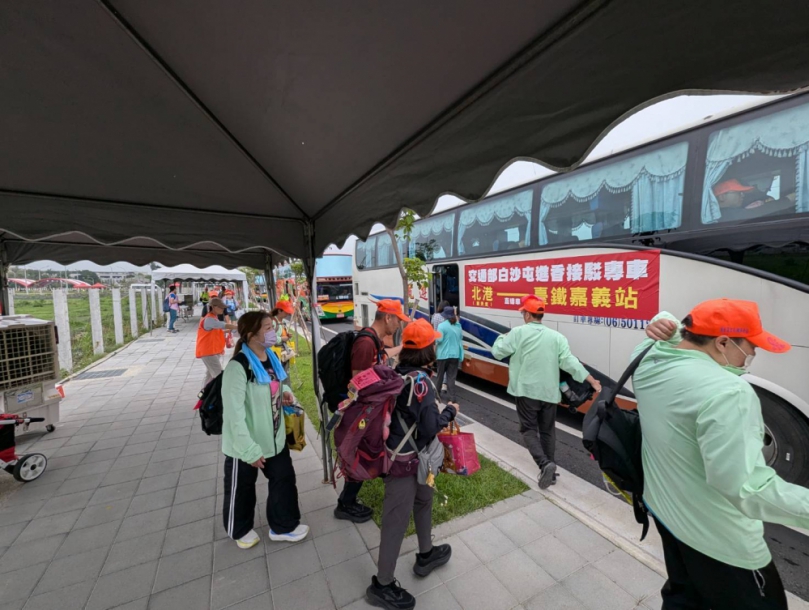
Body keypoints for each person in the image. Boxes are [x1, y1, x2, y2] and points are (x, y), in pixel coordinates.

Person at [633, 299, 808, 609]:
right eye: (751, 345)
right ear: (723, 341)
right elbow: (747, 488)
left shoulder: (647, 358)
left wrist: (666, 324)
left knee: (684, 595)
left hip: (667, 514)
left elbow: (666, 332)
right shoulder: (728, 392)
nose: (753, 354)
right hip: (719, 539)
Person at [367, 319, 457, 610]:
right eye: (435, 342)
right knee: (395, 520)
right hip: (406, 464)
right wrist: (450, 412)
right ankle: (381, 585)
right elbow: (430, 427)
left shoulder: (398, 372)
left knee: (424, 501)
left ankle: (426, 554)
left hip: (413, 460)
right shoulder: (421, 383)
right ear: (429, 348)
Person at [491, 295, 601, 489]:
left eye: (523, 312)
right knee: (548, 431)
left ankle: (545, 464)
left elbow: (498, 352)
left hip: (526, 391)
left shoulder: (517, 333)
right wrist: (591, 380)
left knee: (528, 430)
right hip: (550, 393)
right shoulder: (557, 337)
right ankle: (550, 474)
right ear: (541, 315)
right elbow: (570, 363)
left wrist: (502, 336)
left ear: (526, 314)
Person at [221, 311, 310, 548]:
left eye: (273, 327)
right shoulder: (237, 368)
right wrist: (248, 450)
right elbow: (233, 415)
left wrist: (286, 395)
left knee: (284, 479)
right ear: (251, 335)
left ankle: (283, 526)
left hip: (274, 438)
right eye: (268, 328)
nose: (274, 332)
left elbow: (274, 388)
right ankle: (239, 529)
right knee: (242, 489)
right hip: (246, 443)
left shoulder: (271, 356)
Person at [335, 299, 408, 524]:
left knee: (369, 451)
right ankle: (345, 504)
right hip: (363, 413)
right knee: (361, 452)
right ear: (388, 317)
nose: (399, 326)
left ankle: (354, 497)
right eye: (398, 321)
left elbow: (383, 358)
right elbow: (359, 383)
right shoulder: (366, 343)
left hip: (371, 411)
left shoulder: (374, 341)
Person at [196, 297, 238, 387]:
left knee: (210, 376)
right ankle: (217, 397)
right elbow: (223, 325)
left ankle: (205, 395)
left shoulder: (213, 318)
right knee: (219, 376)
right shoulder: (209, 319)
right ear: (214, 307)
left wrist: (228, 331)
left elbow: (216, 331)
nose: (223, 309)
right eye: (221, 307)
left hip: (211, 351)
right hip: (208, 352)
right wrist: (238, 327)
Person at [435, 306, 463, 403]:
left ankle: (437, 394)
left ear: (445, 316)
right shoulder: (458, 326)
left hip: (443, 355)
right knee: (451, 377)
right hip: (454, 355)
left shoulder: (442, 326)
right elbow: (460, 337)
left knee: (440, 376)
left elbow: (439, 340)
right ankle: (452, 397)